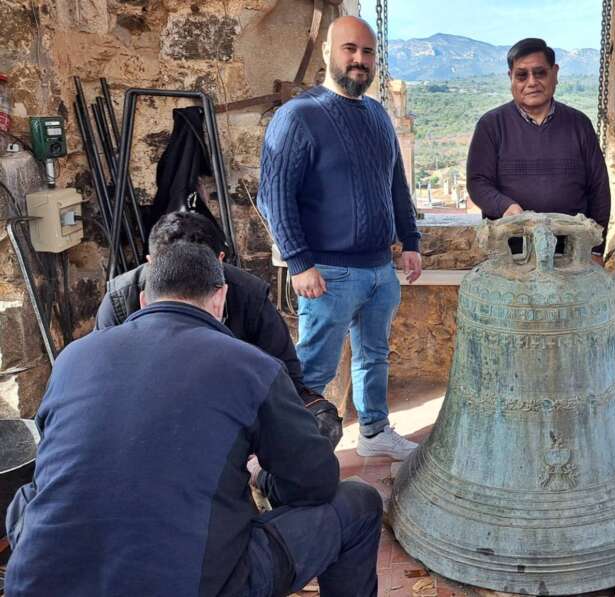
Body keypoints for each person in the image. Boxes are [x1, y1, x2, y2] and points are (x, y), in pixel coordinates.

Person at [4, 242, 382, 597]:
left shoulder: (73, 357)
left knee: (28, 498)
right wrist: (260, 475)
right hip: (192, 584)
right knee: (359, 502)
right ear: (220, 298)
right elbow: (315, 483)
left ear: (143, 299)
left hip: (40, 583)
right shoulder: (251, 366)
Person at [257, 16, 422, 461]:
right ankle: (290, 454)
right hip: (328, 273)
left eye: (367, 52)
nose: (359, 59)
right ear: (329, 52)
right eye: (350, 49)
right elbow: (273, 195)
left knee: (375, 356)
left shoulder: (378, 115)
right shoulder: (298, 116)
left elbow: (395, 184)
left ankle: (374, 432)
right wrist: (299, 262)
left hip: (380, 268)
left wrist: (410, 241)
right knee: (314, 368)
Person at [94, 210, 343, 448]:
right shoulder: (120, 301)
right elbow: (106, 388)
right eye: (172, 267)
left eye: (199, 268)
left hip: (233, 405)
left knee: (320, 423)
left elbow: (286, 377)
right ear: (150, 265)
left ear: (220, 262)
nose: (186, 281)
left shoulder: (248, 295)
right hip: (151, 411)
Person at [466, 37, 611, 261]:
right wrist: (506, 206)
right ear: (511, 78)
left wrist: (595, 250)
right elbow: (478, 182)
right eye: (522, 75)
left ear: (555, 73)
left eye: (540, 73)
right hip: (512, 256)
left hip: (571, 256)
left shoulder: (579, 124)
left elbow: (599, 189)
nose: (531, 82)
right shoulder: (491, 126)